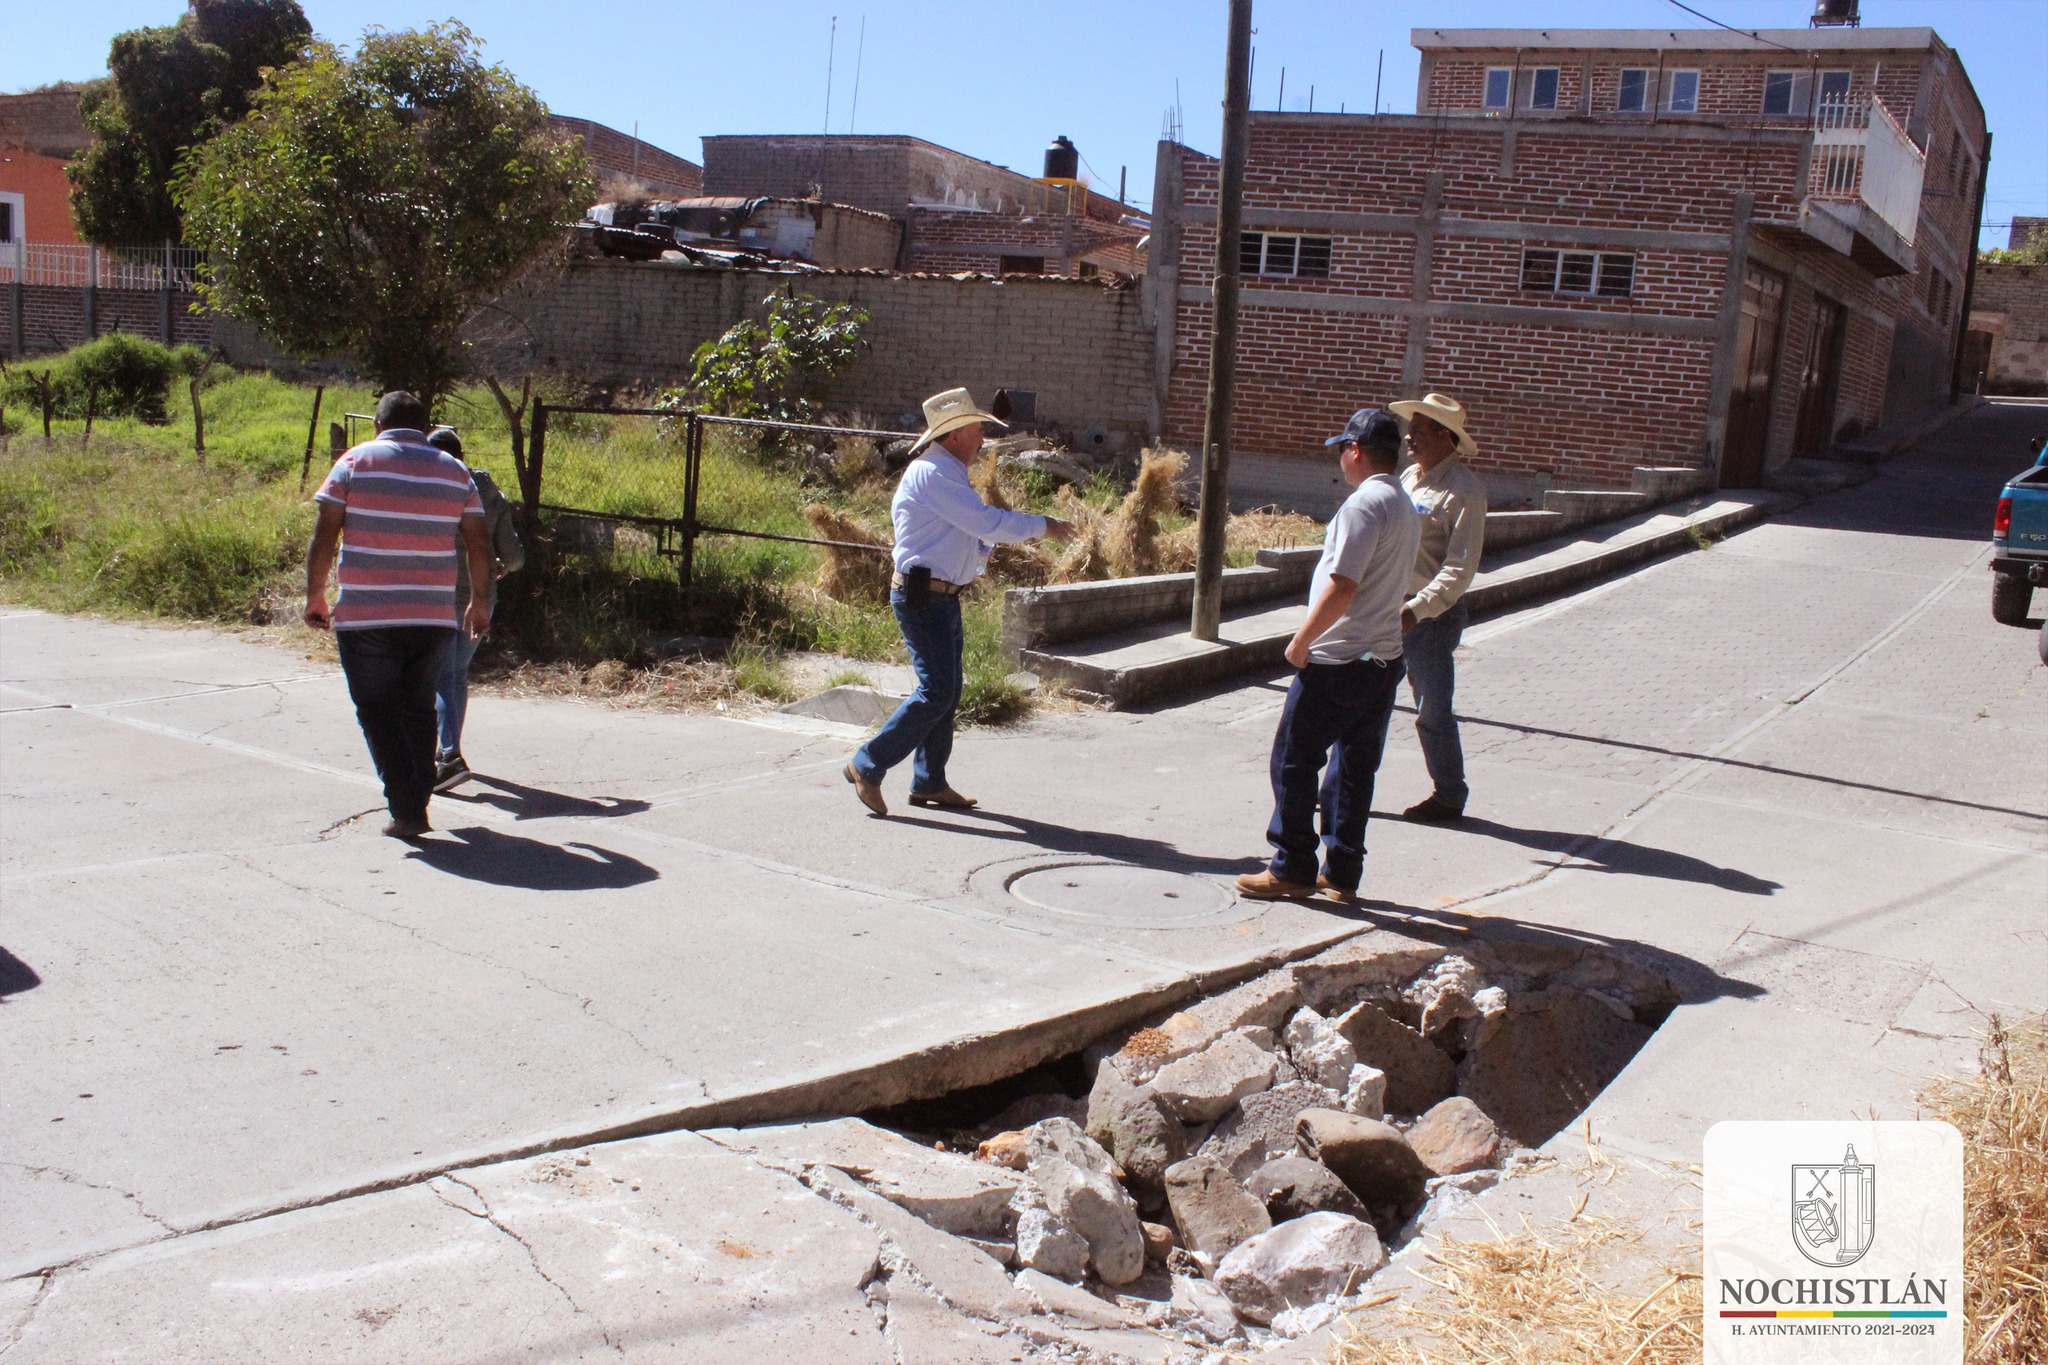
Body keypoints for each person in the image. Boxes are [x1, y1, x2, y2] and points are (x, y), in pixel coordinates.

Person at [845, 388, 1072, 817]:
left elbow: (971, 531)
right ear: (954, 436)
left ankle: (929, 782)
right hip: (923, 597)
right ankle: (867, 764)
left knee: (946, 693)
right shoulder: (932, 474)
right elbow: (983, 521)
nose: (983, 439)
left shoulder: (946, 473)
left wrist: (981, 552)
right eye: (976, 430)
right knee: (937, 692)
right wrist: (1043, 525)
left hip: (940, 596)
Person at [1237, 408, 1419, 903]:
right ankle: (1341, 872)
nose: (1340, 458)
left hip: (1338, 660)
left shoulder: (1364, 506)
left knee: (1294, 761)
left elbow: (1343, 585)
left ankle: (1292, 864)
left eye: (1343, 449)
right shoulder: (1404, 502)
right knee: (1355, 769)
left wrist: (1301, 640)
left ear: (1356, 451)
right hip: (1382, 659)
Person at [304, 392, 491, 839]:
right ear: (425, 427)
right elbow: (479, 543)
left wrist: (315, 595)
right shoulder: (454, 470)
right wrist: (480, 601)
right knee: (418, 705)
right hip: (431, 616)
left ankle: (407, 805)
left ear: (377, 425)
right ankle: (418, 793)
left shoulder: (353, 462)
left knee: (376, 709)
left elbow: (326, 531)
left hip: (367, 616)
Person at [1387, 392, 1488, 824]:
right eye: (1411, 427)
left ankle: (1448, 796)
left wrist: (1417, 610)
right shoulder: (1409, 477)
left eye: (1421, 429)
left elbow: (1459, 570)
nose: (1410, 435)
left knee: (1431, 710)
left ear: (1446, 437)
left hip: (1429, 620)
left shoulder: (1466, 491)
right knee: (1360, 699)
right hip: (1388, 608)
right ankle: (1342, 782)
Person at [424, 426, 525, 793]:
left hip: (440, 596)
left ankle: (449, 755)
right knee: (456, 674)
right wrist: (501, 566)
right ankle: (446, 753)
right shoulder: (489, 493)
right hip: (482, 599)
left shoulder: (431, 489)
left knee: (442, 676)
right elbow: (513, 556)